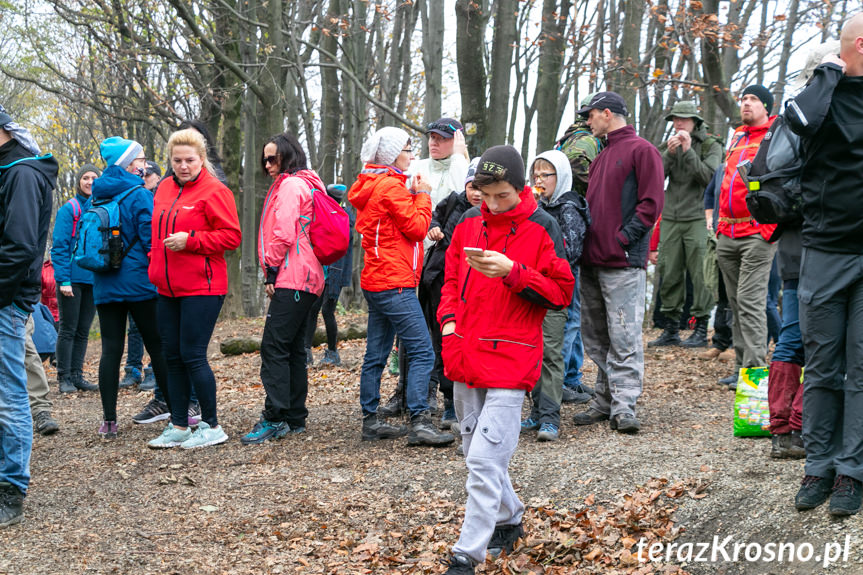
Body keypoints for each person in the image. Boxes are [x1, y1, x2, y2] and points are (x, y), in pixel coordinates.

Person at [438, 145, 574, 573]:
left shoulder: (543, 226)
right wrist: (448, 326)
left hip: (512, 360)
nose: (493, 205)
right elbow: (450, 281)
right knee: (474, 451)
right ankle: (510, 518)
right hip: (465, 353)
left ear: (520, 189)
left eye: (502, 196)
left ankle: (467, 554)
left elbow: (561, 293)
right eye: (485, 195)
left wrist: (513, 272)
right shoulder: (466, 222)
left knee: (482, 459)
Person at [785, 13, 863, 516]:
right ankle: (819, 464)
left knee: (861, 366)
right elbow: (800, 121)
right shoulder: (823, 91)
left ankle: (851, 472)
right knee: (823, 365)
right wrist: (831, 69)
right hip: (825, 249)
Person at [349, 126, 454, 446]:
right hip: (394, 282)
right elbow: (419, 227)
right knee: (422, 351)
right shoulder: (389, 187)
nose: (412, 154)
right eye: (408, 149)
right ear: (392, 154)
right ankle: (420, 420)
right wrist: (423, 194)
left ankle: (371, 421)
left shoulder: (370, 184)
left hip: (377, 279)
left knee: (376, 353)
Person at [571, 91, 664, 434]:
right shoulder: (601, 155)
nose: (587, 121)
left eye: (591, 115)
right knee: (596, 336)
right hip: (592, 260)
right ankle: (604, 399)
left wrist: (623, 239)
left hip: (623, 262)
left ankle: (624, 406)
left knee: (624, 336)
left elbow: (652, 205)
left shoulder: (643, 151)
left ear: (607, 113)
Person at [146, 129, 240, 449]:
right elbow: (155, 232)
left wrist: (192, 241)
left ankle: (212, 425)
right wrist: (153, 263)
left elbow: (231, 237)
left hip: (204, 285)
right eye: (177, 160)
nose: (183, 166)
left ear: (201, 159)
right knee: (171, 356)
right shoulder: (163, 188)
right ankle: (179, 425)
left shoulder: (215, 191)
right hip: (166, 287)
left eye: (189, 160)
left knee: (192, 355)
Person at [240, 133, 324, 444]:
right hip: (309, 277)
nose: (267, 164)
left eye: (273, 158)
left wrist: (270, 272)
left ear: (288, 157)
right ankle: (294, 417)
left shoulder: (290, 185)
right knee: (291, 350)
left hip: (293, 275)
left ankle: (275, 417)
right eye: (264, 159)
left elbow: (282, 233)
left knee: (274, 348)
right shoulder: (310, 183)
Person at [90, 136, 170, 440]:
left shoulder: (95, 194)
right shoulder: (139, 194)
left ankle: (109, 421)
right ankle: (175, 411)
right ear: (128, 163)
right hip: (138, 282)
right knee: (157, 345)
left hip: (104, 280)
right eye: (140, 159)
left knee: (110, 349)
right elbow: (151, 238)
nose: (145, 163)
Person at [0, 103, 57, 527]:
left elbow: (18, 249)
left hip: (6, 302)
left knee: (9, 397)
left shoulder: (20, 172)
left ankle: (11, 489)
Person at [521, 150, 589, 442]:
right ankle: (537, 411)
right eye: (535, 174)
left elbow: (572, 252)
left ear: (559, 177)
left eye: (545, 175)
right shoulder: (535, 207)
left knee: (552, 351)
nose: (539, 180)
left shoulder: (568, 209)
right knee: (533, 351)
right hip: (532, 288)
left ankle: (550, 416)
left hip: (559, 289)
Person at [714, 85, 777, 388]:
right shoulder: (737, 136)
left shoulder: (774, 135)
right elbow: (723, 184)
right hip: (728, 232)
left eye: (753, 99)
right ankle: (741, 368)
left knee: (751, 302)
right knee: (736, 304)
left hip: (756, 233)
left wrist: (768, 229)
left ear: (766, 106)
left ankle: (754, 375)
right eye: (743, 99)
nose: (746, 104)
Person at [648, 101, 722, 348]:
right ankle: (670, 328)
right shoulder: (668, 146)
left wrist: (689, 151)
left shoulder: (711, 145)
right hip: (671, 217)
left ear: (695, 122)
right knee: (669, 271)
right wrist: (669, 154)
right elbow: (654, 176)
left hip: (699, 218)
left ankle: (700, 328)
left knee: (701, 275)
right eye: (675, 119)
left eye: (684, 119)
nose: (679, 123)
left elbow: (710, 178)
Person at [419, 157, 482, 431]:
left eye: (482, 187)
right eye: (472, 186)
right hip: (441, 280)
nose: (476, 192)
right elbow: (435, 216)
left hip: (474, 287)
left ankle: (470, 405)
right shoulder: (454, 202)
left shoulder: (493, 213)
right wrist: (434, 228)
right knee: (444, 341)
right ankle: (448, 403)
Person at [553, 94, 603, 404]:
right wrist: (594, 188)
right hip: (572, 227)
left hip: (570, 226)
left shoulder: (573, 137)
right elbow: (572, 167)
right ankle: (562, 382)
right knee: (571, 315)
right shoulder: (584, 141)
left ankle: (571, 377)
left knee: (576, 314)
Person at [51, 164, 100, 393]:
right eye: (85, 178)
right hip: (71, 278)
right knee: (68, 329)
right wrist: (64, 280)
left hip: (93, 278)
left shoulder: (101, 207)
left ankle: (78, 375)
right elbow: (59, 247)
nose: (90, 182)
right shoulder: (68, 209)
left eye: (94, 178)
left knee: (83, 330)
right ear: (79, 181)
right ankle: (64, 377)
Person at [121, 160, 163, 391]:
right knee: (134, 325)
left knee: (155, 325)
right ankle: (133, 368)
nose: (143, 177)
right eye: (141, 173)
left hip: (155, 268)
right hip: (137, 270)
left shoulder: (161, 197)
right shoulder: (133, 196)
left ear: (157, 177)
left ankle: (153, 370)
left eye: (147, 174)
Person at [304, 184, 354, 367]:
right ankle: (306, 352)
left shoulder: (343, 218)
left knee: (326, 311)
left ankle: (333, 352)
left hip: (336, 273)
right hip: (323, 271)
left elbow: (342, 251)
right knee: (312, 309)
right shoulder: (331, 214)